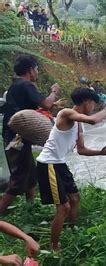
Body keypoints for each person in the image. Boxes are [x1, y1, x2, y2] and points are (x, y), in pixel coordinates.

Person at [36, 88, 106, 251]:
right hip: (48, 164)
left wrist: (100, 152)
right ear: (87, 103)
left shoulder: (78, 124)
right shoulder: (66, 113)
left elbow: (82, 149)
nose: (94, 107)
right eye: (93, 104)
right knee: (63, 207)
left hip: (59, 164)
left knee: (75, 198)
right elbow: (93, 120)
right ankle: (54, 247)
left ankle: (72, 230)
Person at [0, 55, 60, 214]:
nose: (37, 72)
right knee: (19, 177)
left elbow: (34, 109)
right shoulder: (26, 85)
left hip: (16, 134)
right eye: (36, 69)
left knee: (30, 172)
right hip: (15, 137)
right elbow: (46, 104)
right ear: (30, 70)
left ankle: (30, 208)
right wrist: (53, 92)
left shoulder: (16, 85)